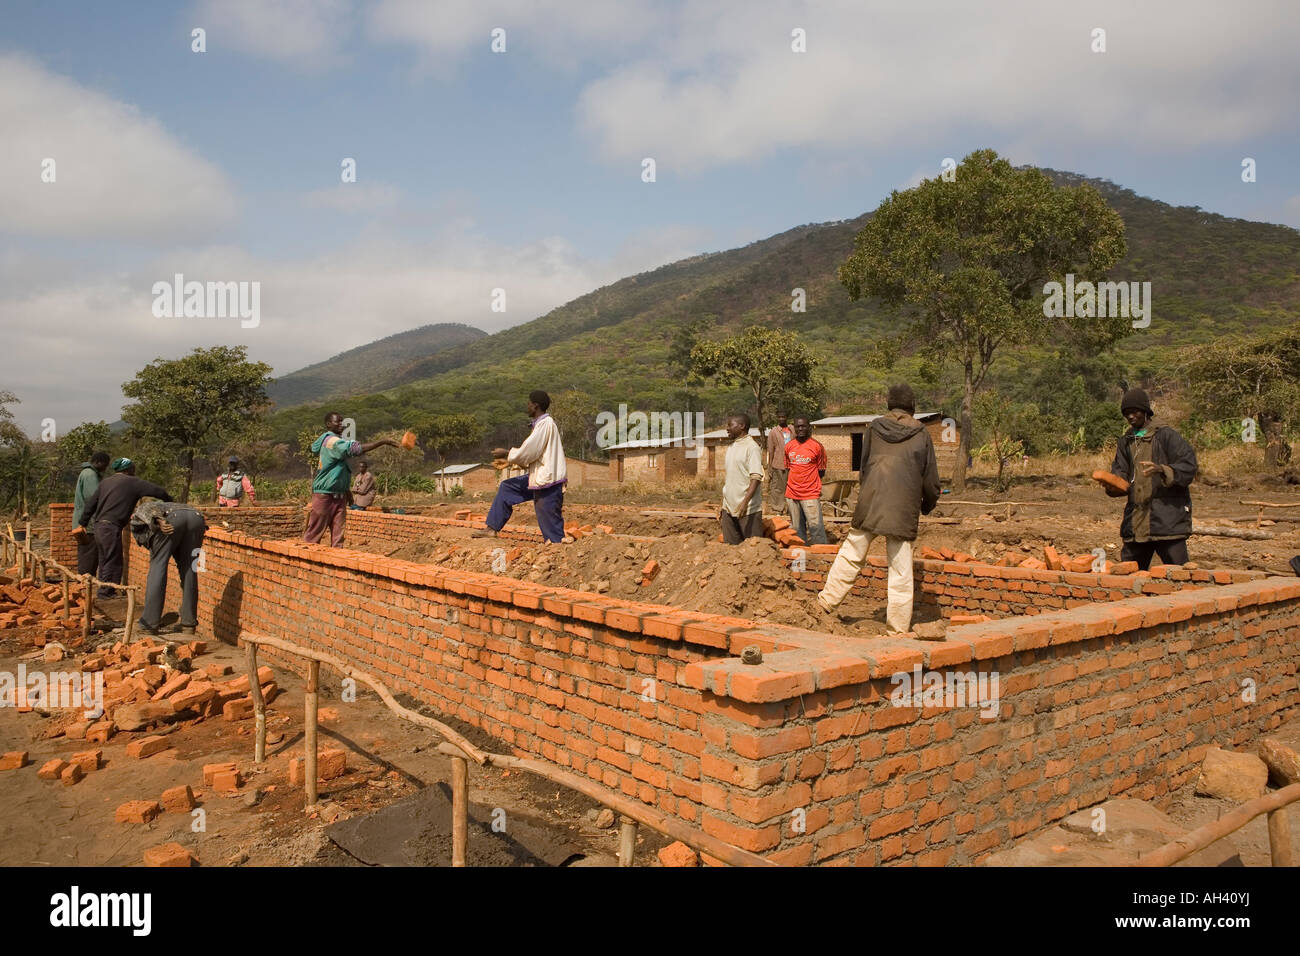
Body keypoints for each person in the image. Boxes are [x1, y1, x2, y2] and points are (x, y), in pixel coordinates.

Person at [817, 384, 940, 632]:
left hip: (871, 500)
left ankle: (824, 604)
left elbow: (864, 467)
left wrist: (867, 492)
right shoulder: (921, 433)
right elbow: (930, 477)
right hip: (903, 506)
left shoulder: (874, 427)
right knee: (900, 569)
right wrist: (928, 504)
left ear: (889, 405)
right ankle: (897, 628)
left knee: (851, 554)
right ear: (912, 407)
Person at [1106, 387, 1198, 570]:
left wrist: (1162, 470)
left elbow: (1189, 466)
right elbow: (1120, 472)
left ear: (1146, 411)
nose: (1131, 417)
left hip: (1167, 522)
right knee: (1129, 576)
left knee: (1179, 575)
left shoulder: (1166, 435)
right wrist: (1112, 484)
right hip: (1136, 523)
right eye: (1127, 414)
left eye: (1135, 412)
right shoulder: (1126, 441)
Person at [475, 390, 567, 542]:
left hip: (548, 482)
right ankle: (492, 528)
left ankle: (557, 548)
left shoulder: (545, 424)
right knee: (507, 487)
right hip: (540, 477)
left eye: (529, 403)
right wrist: (512, 462)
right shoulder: (541, 425)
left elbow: (530, 451)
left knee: (549, 519)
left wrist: (506, 453)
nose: (527, 406)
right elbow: (535, 456)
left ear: (535, 406)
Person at [76, 458, 172, 599]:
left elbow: (91, 504)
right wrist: (170, 502)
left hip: (98, 526)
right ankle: (107, 593)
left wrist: (82, 522)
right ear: (128, 470)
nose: (134, 471)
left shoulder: (105, 482)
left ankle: (104, 590)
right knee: (113, 559)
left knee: (105, 559)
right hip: (110, 526)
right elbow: (158, 491)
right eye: (133, 468)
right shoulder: (133, 482)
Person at [304, 412, 399, 546]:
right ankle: (307, 561)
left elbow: (338, 473)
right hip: (325, 495)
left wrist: (347, 492)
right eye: (337, 422)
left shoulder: (335, 441)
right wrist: (382, 442)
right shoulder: (332, 441)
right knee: (315, 534)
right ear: (328, 424)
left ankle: (335, 562)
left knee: (338, 536)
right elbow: (355, 448)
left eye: (342, 421)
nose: (341, 424)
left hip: (338, 495)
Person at [129, 500, 207, 636]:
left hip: (171, 521)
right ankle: (188, 623)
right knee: (190, 569)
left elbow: (148, 508)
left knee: (158, 566)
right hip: (197, 519)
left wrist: (160, 522)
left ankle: (149, 623)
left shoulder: (139, 511)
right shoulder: (172, 504)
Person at [720, 413, 765, 544]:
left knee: (752, 550)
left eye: (730, 425)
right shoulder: (731, 447)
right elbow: (730, 479)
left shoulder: (752, 447)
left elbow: (756, 477)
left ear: (742, 426)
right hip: (728, 508)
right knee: (731, 549)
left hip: (747, 509)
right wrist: (723, 504)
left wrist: (744, 503)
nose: (727, 428)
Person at [784, 417, 828, 545]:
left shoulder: (817, 447)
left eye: (803, 426)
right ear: (794, 428)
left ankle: (820, 557)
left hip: (810, 494)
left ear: (809, 427)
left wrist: (809, 483)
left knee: (816, 528)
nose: (800, 429)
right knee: (797, 529)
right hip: (792, 494)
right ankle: (801, 557)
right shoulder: (788, 447)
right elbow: (788, 468)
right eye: (798, 426)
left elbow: (821, 471)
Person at [72, 451, 110, 575]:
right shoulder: (90, 475)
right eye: (105, 465)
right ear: (98, 462)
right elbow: (94, 498)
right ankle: (84, 585)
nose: (105, 468)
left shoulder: (87, 473)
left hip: (84, 522)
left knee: (86, 554)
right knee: (89, 556)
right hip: (88, 524)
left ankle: (84, 584)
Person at [765, 413, 793, 515]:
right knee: (778, 488)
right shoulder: (773, 432)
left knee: (792, 488)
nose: (782, 418)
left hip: (792, 464)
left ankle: (791, 510)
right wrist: (770, 466)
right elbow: (771, 450)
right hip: (778, 464)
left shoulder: (791, 430)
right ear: (777, 418)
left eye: (783, 416)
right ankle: (778, 509)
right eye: (780, 417)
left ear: (786, 417)